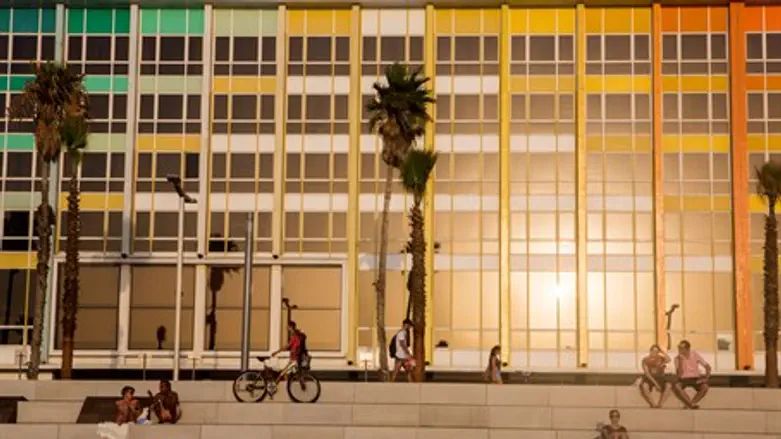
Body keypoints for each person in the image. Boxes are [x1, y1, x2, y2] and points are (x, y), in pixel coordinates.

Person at [673, 339, 711, 409]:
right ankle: (691, 405)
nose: (679, 350)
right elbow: (679, 374)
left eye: (682, 348)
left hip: (695, 378)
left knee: (705, 387)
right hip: (683, 378)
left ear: (687, 349)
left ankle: (690, 403)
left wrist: (706, 378)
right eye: (679, 348)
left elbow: (708, 367)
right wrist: (681, 361)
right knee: (677, 387)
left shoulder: (694, 354)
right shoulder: (677, 358)